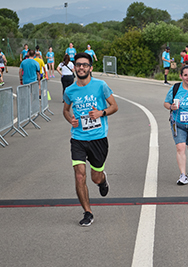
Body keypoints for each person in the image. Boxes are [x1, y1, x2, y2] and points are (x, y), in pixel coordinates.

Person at [63, 52, 118, 226]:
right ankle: (88, 212)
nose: (81, 67)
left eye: (85, 65)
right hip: (78, 138)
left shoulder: (101, 85)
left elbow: (114, 106)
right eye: (78, 64)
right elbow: (65, 110)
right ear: (74, 67)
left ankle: (102, 180)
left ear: (90, 68)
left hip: (98, 138)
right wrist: (70, 118)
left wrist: (101, 113)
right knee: (80, 175)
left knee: (95, 177)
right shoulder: (70, 90)